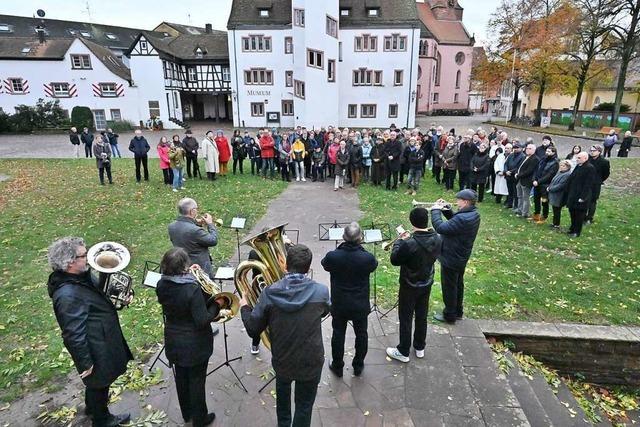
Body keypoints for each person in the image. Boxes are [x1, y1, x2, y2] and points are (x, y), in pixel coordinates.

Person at [240, 245, 330, 427]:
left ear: (285, 265)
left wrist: (244, 306)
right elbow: (324, 311)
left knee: (283, 404)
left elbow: (253, 329)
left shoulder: (269, 292)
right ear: (308, 268)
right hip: (311, 360)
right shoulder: (321, 291)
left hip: (283, 358)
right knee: (304, 407)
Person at [47, 237, 132, 426]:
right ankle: (103, 420)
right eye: (84, 255)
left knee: (98, 383)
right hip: (95, 346)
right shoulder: (67, 295)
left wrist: (120, 298)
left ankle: (92, 408)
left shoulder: (81, 276)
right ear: (69, 262)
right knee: (100, 383)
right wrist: (85, 363)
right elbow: (72, 334)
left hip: (101, 337)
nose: (90, 257)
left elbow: (99, 299)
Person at [155, 248, 222, 427]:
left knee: (181, 378)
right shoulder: (191, 288)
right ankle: (200, 419)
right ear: (183, 266)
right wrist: (217, 305)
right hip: (195, 343)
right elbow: (202, 320)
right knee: (197, 381)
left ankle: (187, 414)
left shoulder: (162, 284)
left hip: (173, 340)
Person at [386, 208, 442, 363]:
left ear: (412, 222)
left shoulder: (409, 243)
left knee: (405, 317)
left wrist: (399, 242)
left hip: (409, 285)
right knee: (422, 315)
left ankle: (403, 350)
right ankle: (419, 347)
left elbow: (395, 260)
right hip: (426, 282)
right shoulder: (437, 238)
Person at [322, 223, 377, 376]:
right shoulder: (366, 257)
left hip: (340, 304)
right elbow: (374, 265)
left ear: (343, 238)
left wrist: (340, 248)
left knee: (338, 333)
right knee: (362, 334)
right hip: (360, 304)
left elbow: (325, 264)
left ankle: (337, 366)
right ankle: (358, 366)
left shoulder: (334, 256)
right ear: (360, 238)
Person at [431, 190, 481, 324]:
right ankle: (458, 311)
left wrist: (435, 211)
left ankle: (450, 315)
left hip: (451, 257)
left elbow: (440, 227)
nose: (456, 202)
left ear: (465, 202)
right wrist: (447, 210)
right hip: (461, 256)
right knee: (458, 284)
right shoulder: (473, 213)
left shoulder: (463, 218)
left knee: (449, 287)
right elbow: (455, 224)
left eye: (458, 200)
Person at [168, 198, 218, 278]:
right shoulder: (195, 230)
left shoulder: (171, 226)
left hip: (184, 266)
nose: (197, 211)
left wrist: (194, 222)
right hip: (200, 269)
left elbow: (189, 236)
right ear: (192, 211)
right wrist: (210, 224)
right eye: (196, 209)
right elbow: (213, 240)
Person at [565, 152, 596, 237]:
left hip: (581, 195)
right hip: (573, 194)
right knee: (572, 212)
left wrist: (583, 197)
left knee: (579, 214)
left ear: (585, 158)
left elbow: (588, 184)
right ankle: (572, 228)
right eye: (577, 158)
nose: (577, 159)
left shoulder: (590, 168)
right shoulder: (578, 166)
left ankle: (576, 231)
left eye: (579, 158)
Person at [532, 146, 559, 224]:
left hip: (545, 184)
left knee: (544, 201)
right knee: (536, 199)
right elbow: (536, 169)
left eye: (549, 151)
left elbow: (550, 175)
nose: (547, 152)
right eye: (547, 151)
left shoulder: (555, 162)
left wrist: (539, 181)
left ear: (553, 153)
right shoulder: (543, 159)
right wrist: (534, 179)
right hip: (537, 183)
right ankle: (536, 214)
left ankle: (544, 216)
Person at [585, 145, 610, 224]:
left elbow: (606, 173)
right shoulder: (587, 159)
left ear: (599, 152)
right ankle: (583, 216)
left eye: (594, 151)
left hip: (595, 184)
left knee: (592, 201)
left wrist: (599, 180)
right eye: (591, 150)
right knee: (584, 199)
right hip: (586, 182)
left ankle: (589, 218)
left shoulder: (604, 162)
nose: (592, 152)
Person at [514, 143, 539, 218]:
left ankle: (525, 213)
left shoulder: (535, 159)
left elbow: (529, 171)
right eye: (527, 148)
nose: (527, 150)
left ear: (534, 150)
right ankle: (520, 209)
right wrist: (516, 173)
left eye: (529, 148)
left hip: (526, 181)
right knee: (519, 196)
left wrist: (518, 175)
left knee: (526, 197)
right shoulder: (525, 157)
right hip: (520, 180)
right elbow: (519, 167)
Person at [547, 160, 572, 230]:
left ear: (568, 167)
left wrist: (550, 189)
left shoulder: (567, 174)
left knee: (557, 209)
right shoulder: (560, 172)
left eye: (563, 166)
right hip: (554, 193)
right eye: (560, 165)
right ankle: (554, 223)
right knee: (555, 209)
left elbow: (561, 185)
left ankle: (557, 224)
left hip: (560, 195)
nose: (561, 167)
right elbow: (553, 181)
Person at [504, 142, 524, 209]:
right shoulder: (511, 155)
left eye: (517, 148)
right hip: (508, 176)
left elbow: (519, 167)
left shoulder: (522, 156)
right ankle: (509, 203)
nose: (515, 149)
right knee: (510, 191)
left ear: (521, 148)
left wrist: (511, 171)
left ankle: (516, 205)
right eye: (514, 148)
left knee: (516, 192)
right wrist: (506, 171)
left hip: (515, 176)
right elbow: (506, 164)